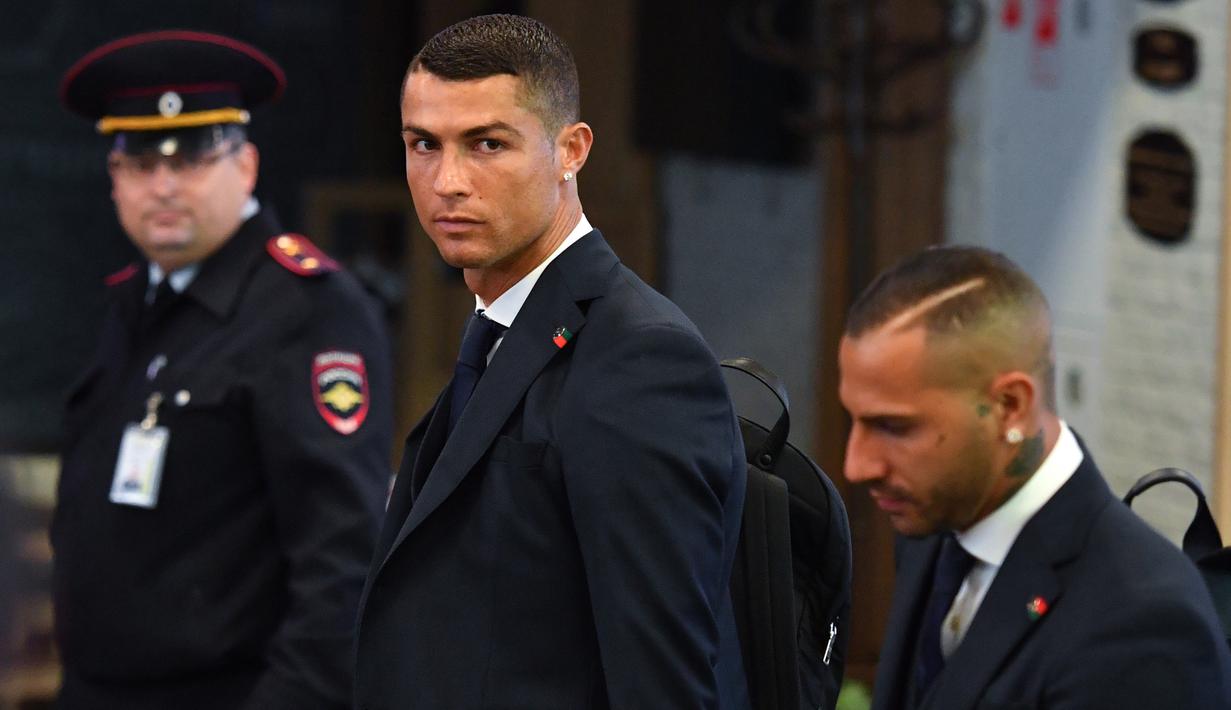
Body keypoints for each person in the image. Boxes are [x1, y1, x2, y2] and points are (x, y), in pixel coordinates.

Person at [354, 14, 748, 710]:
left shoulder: (640, 356)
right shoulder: (500, 327)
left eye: (486, 144)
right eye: (424, 144)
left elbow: (663, 676)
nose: (447, 181)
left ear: (570, 150)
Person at [54, 31, 393, 709]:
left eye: (195, 158)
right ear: (114, 178)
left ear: (247, 166)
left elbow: (341, 571)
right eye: (142, 162)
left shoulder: (306, 310)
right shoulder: (138, 301)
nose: (165, 186)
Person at [838, 245, 1231, 710]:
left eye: (893, 427)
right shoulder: (931, 531)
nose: (857, 465)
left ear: (1011, 407)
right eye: (855, 421)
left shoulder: (1143, 622)